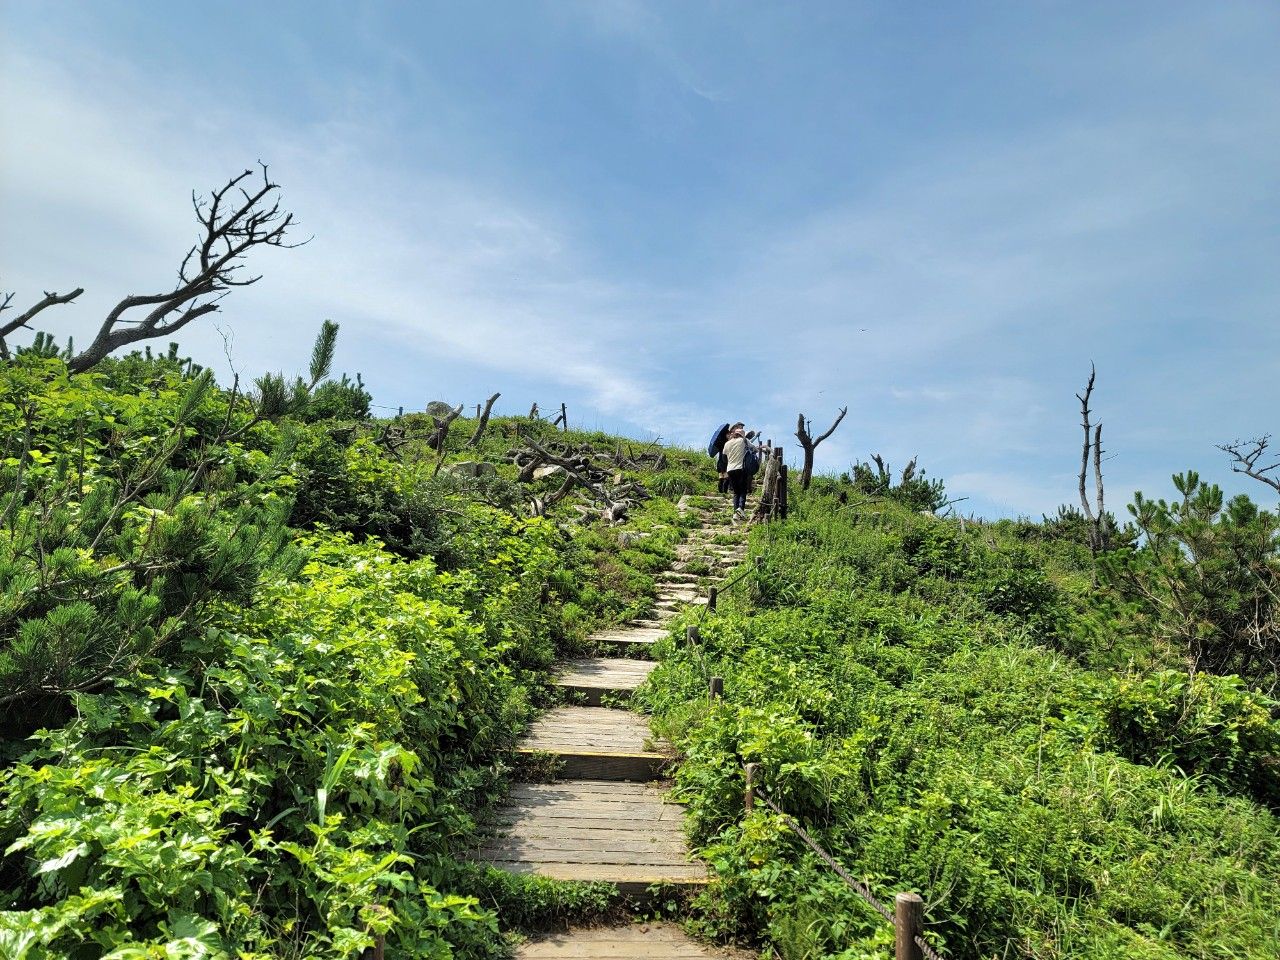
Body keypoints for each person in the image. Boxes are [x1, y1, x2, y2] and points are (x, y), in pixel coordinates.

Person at [722, 422, 750, 520]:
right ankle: (741, 508)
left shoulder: (727, 443)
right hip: (740, 468)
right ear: (742, 435)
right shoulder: (743, 441)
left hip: (730, 469)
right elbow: (753, 449)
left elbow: (724, 458)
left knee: (735, 492)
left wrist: (730, 461)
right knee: (743, 490)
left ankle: (735, 513)